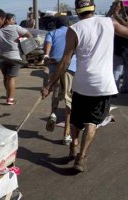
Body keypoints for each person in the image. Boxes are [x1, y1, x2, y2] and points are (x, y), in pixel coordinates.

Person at [41, 0, 128, 172]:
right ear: (93, 8)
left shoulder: (74, 29)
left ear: (77, 10)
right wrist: (118, 14)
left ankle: (73, 145)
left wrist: (50, 84)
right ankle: (81, 157)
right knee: (92, 122)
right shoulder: (110, 23)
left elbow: (66, 60)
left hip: (82, 82)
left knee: (76, 119)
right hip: (103, 84)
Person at [43, 16, 77, 145]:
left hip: (54, 65)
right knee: (68, 99)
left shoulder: (52, 33)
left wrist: (46, 55)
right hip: (70, 67)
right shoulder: (73, 32)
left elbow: (48, 45)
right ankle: (66, 135)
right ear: (68, 24)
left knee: (55, 91)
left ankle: (53, 113)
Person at [0, 13, 32, 105]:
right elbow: (29, 34)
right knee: (11, 78)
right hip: (14, 57)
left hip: (1, 58)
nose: (14, 21)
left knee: (5, 77)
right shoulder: (15, 27)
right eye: (12, 19)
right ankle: (10, 99)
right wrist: (20, 39)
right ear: (7, 20)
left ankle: (8, 94)